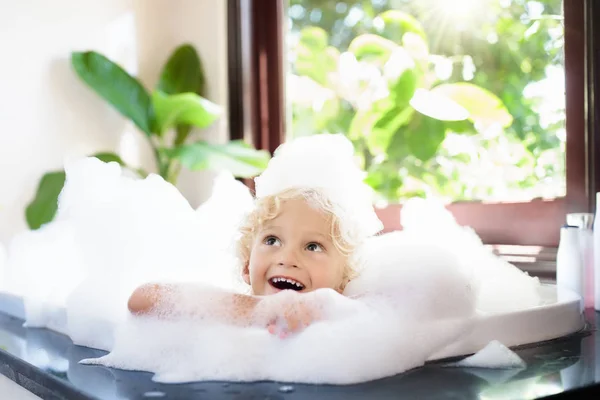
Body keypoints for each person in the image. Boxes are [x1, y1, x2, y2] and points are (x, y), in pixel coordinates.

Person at [127, 134, 383, 338]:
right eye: (272, 240)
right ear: (247, 267)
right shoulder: (230, 314)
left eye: (313, 246)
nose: (286, 257)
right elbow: (142, 299)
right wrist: (255, 311)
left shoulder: (343, 324)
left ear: (342, 283)